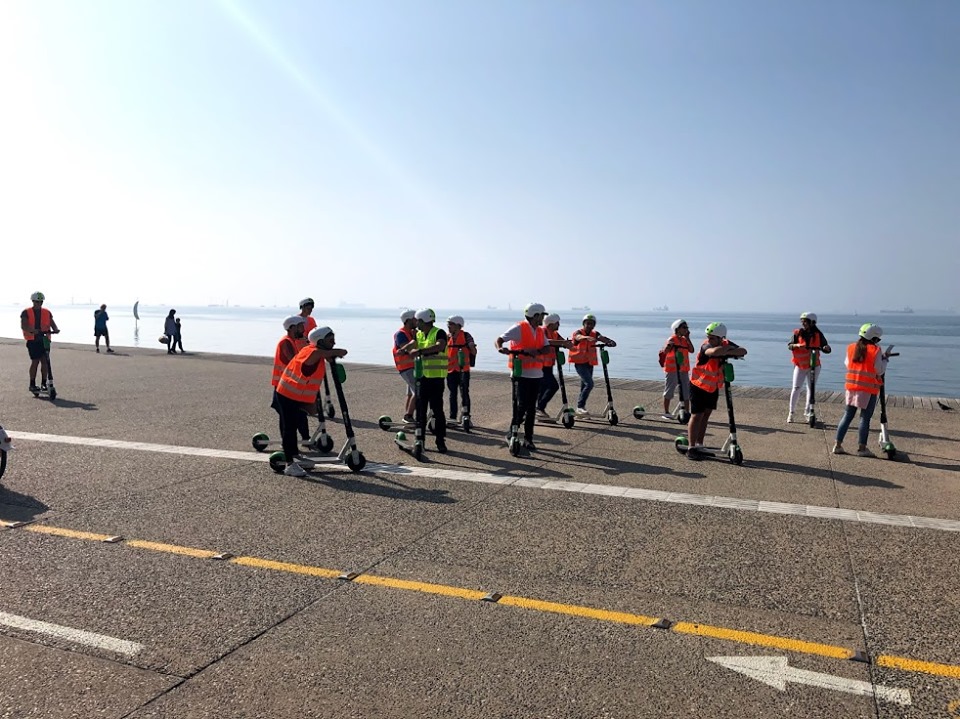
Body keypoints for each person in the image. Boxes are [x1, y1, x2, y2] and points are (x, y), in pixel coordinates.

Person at [274, 326, 348, 477]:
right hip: (287, 393)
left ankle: (294, 456)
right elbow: (317, 354)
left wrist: (330, 355)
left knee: (299, 420)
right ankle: (289, 464)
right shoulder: (312, 352)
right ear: (320, 341)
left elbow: (320, 355)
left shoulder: (313, 350)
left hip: (296, 395)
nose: (334, 342)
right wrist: (336, 352)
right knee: (289, 428)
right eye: (330, 340)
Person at [686, 322, 747, 459]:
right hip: (697, 385)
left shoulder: (725, 343)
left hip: (712, 387)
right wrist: (728, 350)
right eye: (708, 337)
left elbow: (743, 351)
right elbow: (713, 352)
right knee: (696, 415)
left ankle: (699, 444)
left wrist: (728, 350)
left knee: (706, 415)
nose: (709, 340)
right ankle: (691, 448)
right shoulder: (706, 345)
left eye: (712, 338)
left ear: (721, 338)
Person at [496, 303, 552, 450]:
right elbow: (500, 339)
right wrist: (500, 348)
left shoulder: (540, 331)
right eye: (542, 315)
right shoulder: (518, 328)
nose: (543, 318)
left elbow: (547, 348)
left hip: (536, 374)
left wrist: (537, 351)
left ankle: (528, 438)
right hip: (520, 374)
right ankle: (512, 433)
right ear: (535, 315)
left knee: (531, 409)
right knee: (520, 406)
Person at [833, 323, 890, 457]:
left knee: (847, 416)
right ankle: (862, 448)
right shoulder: (876, 350)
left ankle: (837, 445)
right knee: (865, 418)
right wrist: (885, 359)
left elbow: (847, 364)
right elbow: (879, 370)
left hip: (851, 387)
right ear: (874, 338)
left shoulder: (851, 347)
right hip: (867, 389)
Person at [401, 309, 449, 453]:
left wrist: (420, 352)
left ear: (424, 321)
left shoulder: (439, 333)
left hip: (436, 379)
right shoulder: (419, 334)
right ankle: (419, 440)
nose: (416, 323)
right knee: (421, 410)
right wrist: (404, 349)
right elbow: (413, 343)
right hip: (422, 378)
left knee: (437, 411)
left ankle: (440, 441)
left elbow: (440, 346)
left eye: (418, 321)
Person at [271, 315, 311, 446]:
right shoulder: (286, 342)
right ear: (292, 327)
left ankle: (305, 439)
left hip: (289, 385)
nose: (303, 329)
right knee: (289, 416)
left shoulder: (292, 341)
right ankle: (289, 444)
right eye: (300, 326)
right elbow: (294, 361)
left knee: (297, 414)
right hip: (283, 386)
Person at [786, 312, 832, 422]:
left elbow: (825, 347)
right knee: (796, 388)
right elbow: (789, 345)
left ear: (812, 322)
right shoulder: (797, 333)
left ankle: (808, 412)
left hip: (814, 365)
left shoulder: (818, 334)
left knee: (811, 388)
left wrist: (826, 348)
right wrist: (797, 345)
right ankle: (791, 413)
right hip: (800, 365)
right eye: (802, 321)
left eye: (805, 322)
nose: (803, 324)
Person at [568, 313, 617, 416]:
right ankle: (580, 407)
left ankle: (580, 409)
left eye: (592, 324)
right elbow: (577, 337)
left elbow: (600, 337)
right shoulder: (578, 332)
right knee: (589, 384)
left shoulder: (595, 333)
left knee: (584, 385)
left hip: (589, 363)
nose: (590, 325)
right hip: (579, 363)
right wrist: (586, 337)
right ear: (584, 324)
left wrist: (609, 341)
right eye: (588, 323)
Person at [20, 291, 60, 392]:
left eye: (41, 302)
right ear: (33, 301)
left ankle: (44, 383)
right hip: (33, 340)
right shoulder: (26, 312)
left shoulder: (47, 312)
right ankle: (32, 383)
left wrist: (55, 329)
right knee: (35, 361)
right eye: (37, 302)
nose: (39, 304)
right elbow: (24, 325)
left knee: (45, 361)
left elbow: (52, 323)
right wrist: (32, 330)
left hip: (45, 339)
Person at [536, 313, 573, 417]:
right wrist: (562, 343)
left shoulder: (555, 333)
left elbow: (562, 341)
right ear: (551, 324)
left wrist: (569, 343)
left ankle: (539, 410)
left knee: (543, 388)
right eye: (557, 323)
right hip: (540, 365)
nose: (559, 325)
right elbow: (546, 341)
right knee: (553, 386)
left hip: (548, 365)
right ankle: (539, 408)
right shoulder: (542, 331)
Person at [660, 319, 694, 420]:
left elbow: (691, 350)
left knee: (686, 391)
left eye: (687, 328)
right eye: (684, 328)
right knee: (669, 390)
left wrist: (688, 338)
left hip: (683, 369)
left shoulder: (684, 340)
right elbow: (665, 351)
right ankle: (666, 412)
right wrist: (669, 346)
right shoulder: (672, 339)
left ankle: (687, 412)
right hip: (672, 369)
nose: (686, 330)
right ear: (677, 329)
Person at [445, 315, 477, 422]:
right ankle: (452, 417)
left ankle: (466, 415)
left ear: (458, 325)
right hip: (450, 370)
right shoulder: (447, 337)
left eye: (451, 324)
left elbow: (473, 351)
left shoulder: (466, 336)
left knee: (464, 394)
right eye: (448, 324)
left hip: (463, 370)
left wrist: (471, 347)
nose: (448, 326)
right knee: (452, 394)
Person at [392, 310, 419, 423]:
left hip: (413, 367)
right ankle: (408, 416)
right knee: (418, 391)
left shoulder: (411, 333)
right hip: (406, 368)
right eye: (415, 319)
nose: (417, 321)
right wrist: (415, 339)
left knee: (410, 393)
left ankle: (408, 416)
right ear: (408, 320)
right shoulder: (401, 334)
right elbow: (407, 349)